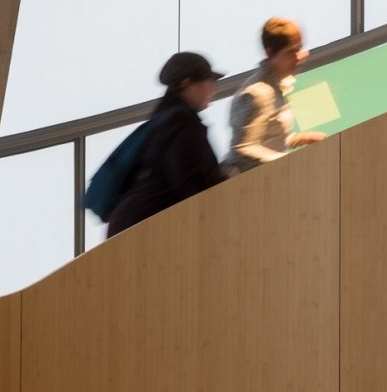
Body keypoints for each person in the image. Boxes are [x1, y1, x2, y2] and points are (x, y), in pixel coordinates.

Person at [107, 52, 227, 237]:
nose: (213, 89)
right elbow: (190, 182)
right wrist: (226, 181)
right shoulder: (180, 122)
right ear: (186, 83)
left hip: (135, 224)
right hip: (144, 229)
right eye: (208, 81)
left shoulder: (164, 118)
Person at [225, 16, 327, 173]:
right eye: (291, 52)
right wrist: (289, 163)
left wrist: (299, 139)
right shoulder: (256, 93)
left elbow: (269, 137)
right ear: (270, 52)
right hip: (250, 186)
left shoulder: (278, 87)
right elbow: (244, 149)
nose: (298, 57)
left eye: (299, 49)